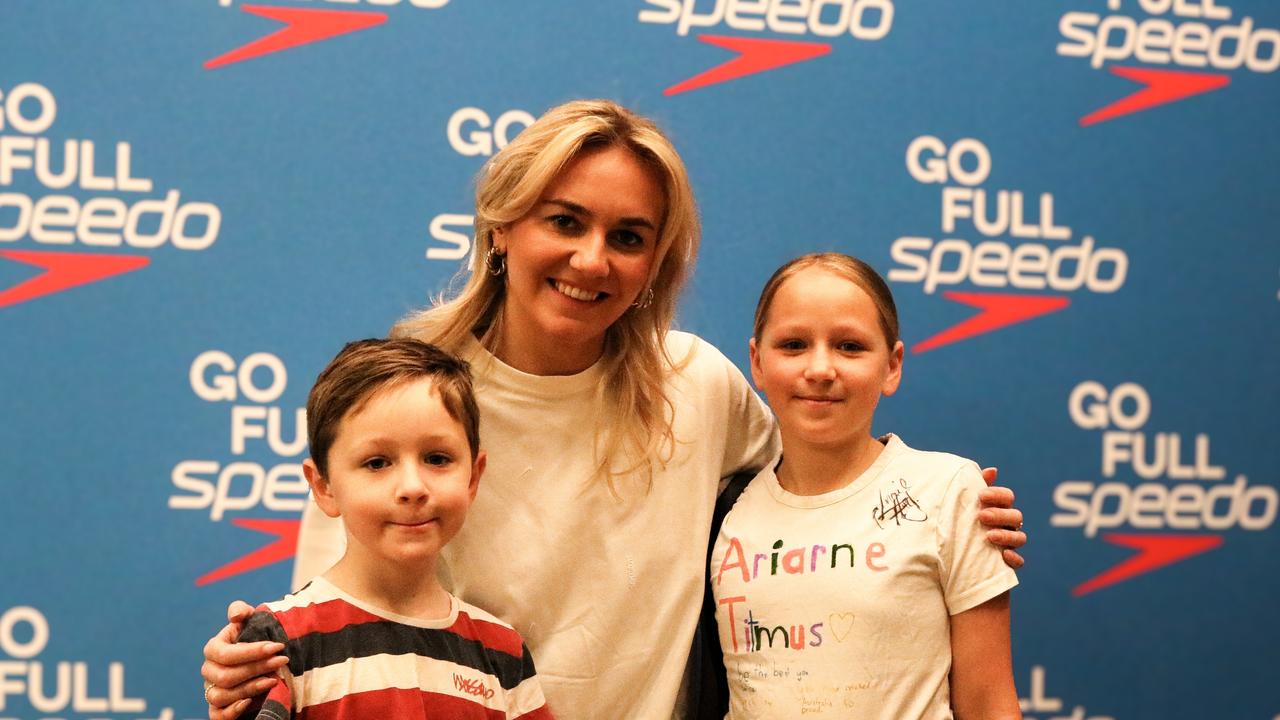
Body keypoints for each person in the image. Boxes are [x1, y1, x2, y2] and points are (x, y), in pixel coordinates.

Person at [202, 100, 1027, 720]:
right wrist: (247, 666)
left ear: (655, 264)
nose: (591, 259)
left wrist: (942, 509)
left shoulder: (696, 385)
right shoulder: (410, 401)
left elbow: (822, 477)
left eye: (629, 238)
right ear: (501, 227)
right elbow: (331, 612)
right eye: (565, 221)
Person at [711, 253, 1020, 719]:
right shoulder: (726, 513)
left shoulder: (948, 491)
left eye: (850, 347)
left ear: (892, 366)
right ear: (756, 361)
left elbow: (988, 702)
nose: (819, 368)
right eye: (793, 344)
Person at [234, 338, 552, 719]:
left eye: (437, 458)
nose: (413, 487)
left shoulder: (504, 654)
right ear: (323, 487)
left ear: (473, 478)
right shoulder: (278, 643)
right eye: (377, 463)